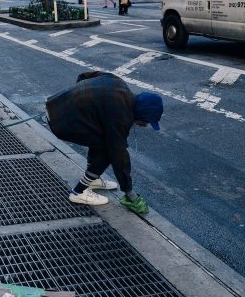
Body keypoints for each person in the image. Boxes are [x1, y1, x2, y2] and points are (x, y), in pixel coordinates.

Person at [45, 71, 163, 215]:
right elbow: (119, 156)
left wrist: (80, 99)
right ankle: (78, 192)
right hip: (61, 122)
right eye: (146, 122)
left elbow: (84, 76)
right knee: (108, 151)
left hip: (56, 104)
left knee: (100, 135)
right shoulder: (120, 116)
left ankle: (93, 178)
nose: (144, 125)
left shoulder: (119, 84)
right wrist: (129, 191)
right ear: (141, 113)